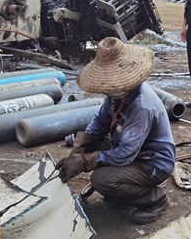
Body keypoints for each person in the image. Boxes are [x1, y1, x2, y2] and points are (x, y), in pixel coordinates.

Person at [55, 37, 176, 225]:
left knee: (101, 180)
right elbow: (99, 123)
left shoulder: (142, 107)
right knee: (94, 144)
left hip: (153, 163)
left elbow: (125, 154)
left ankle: (156, 198)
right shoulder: (118, 95)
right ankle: (123, 189)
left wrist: (86, 162)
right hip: (133, 150)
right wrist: (78, 151)